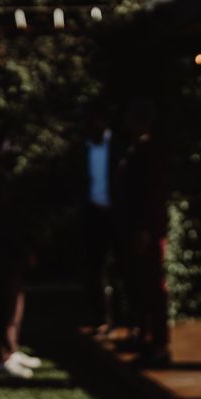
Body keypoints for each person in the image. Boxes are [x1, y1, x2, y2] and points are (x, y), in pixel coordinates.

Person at [0, 136, 41, 379]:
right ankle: (3, 355)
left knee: (15, 300)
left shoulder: (4, 179)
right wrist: (20, 247)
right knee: (6, 301)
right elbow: (4, 221)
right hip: (4, 250)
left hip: (10, 249)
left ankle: (11, 348)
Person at [116, 97, 170, 366]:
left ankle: (159, 344)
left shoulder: (148, 153)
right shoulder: (136, 150)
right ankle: (146, 337)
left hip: (145, 231)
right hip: (136, 229)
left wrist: (146, 230)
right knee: (139, 284)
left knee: (153, 286)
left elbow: (151, 196)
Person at [81, 104, 120, 332]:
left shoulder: (118, 146)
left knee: (122, 269)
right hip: (93, 213)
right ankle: (101, 317)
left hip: (115, 212)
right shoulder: (84, 149)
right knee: (95, 269)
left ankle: (126, 319)